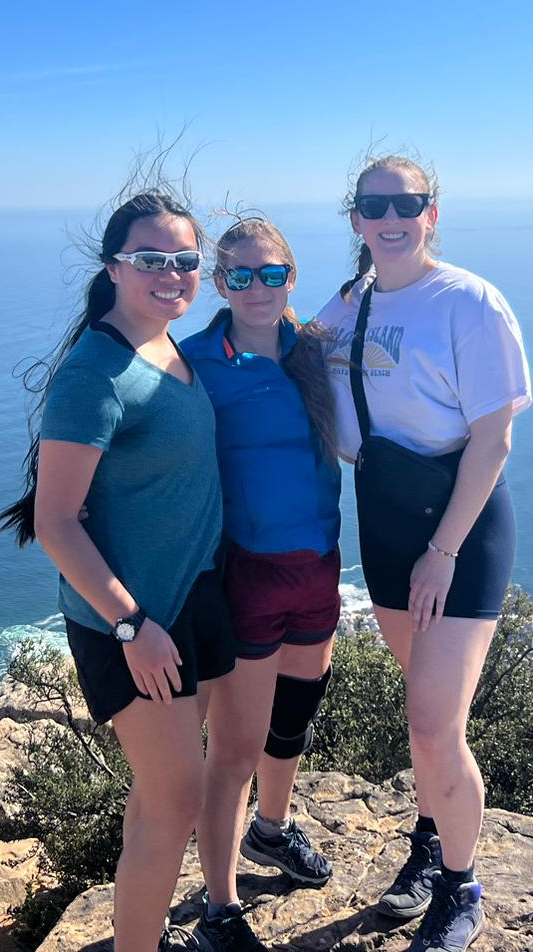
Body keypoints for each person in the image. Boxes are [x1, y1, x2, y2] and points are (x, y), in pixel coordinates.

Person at [0, 187, 231, 952]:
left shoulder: (167, 346)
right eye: (150, 260)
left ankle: (142, 935)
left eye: (185, 260)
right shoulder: (94, 374)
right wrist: (133, 625)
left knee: (158, 800)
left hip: (187, 602)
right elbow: (57, 522)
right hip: (133, 623)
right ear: (114, 267)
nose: (171, 273)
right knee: (176, 801)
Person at [315, 152, 531, 952]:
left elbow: (494, 437)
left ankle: (460, 884)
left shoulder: (470, 303)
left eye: (407, 203)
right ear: (357, 221)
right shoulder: (356, 305)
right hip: (385, 519)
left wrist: (443, 550)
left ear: (432, 212)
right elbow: (297, 344)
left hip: (459, 532)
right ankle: (430, 838)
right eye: (374, 206)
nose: (391, 217)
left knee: (436, 724)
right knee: (422, 710)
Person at [181, 217, 342, 952]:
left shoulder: (314, 347)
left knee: (294, 718)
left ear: (290, 278)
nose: (256, 288)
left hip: (319, 563)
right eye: (240, 276)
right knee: (235, 750)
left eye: (270, 274)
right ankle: (218, 907)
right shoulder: (192, 362)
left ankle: (271, 832)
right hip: (245, 571)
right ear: (219, 284)